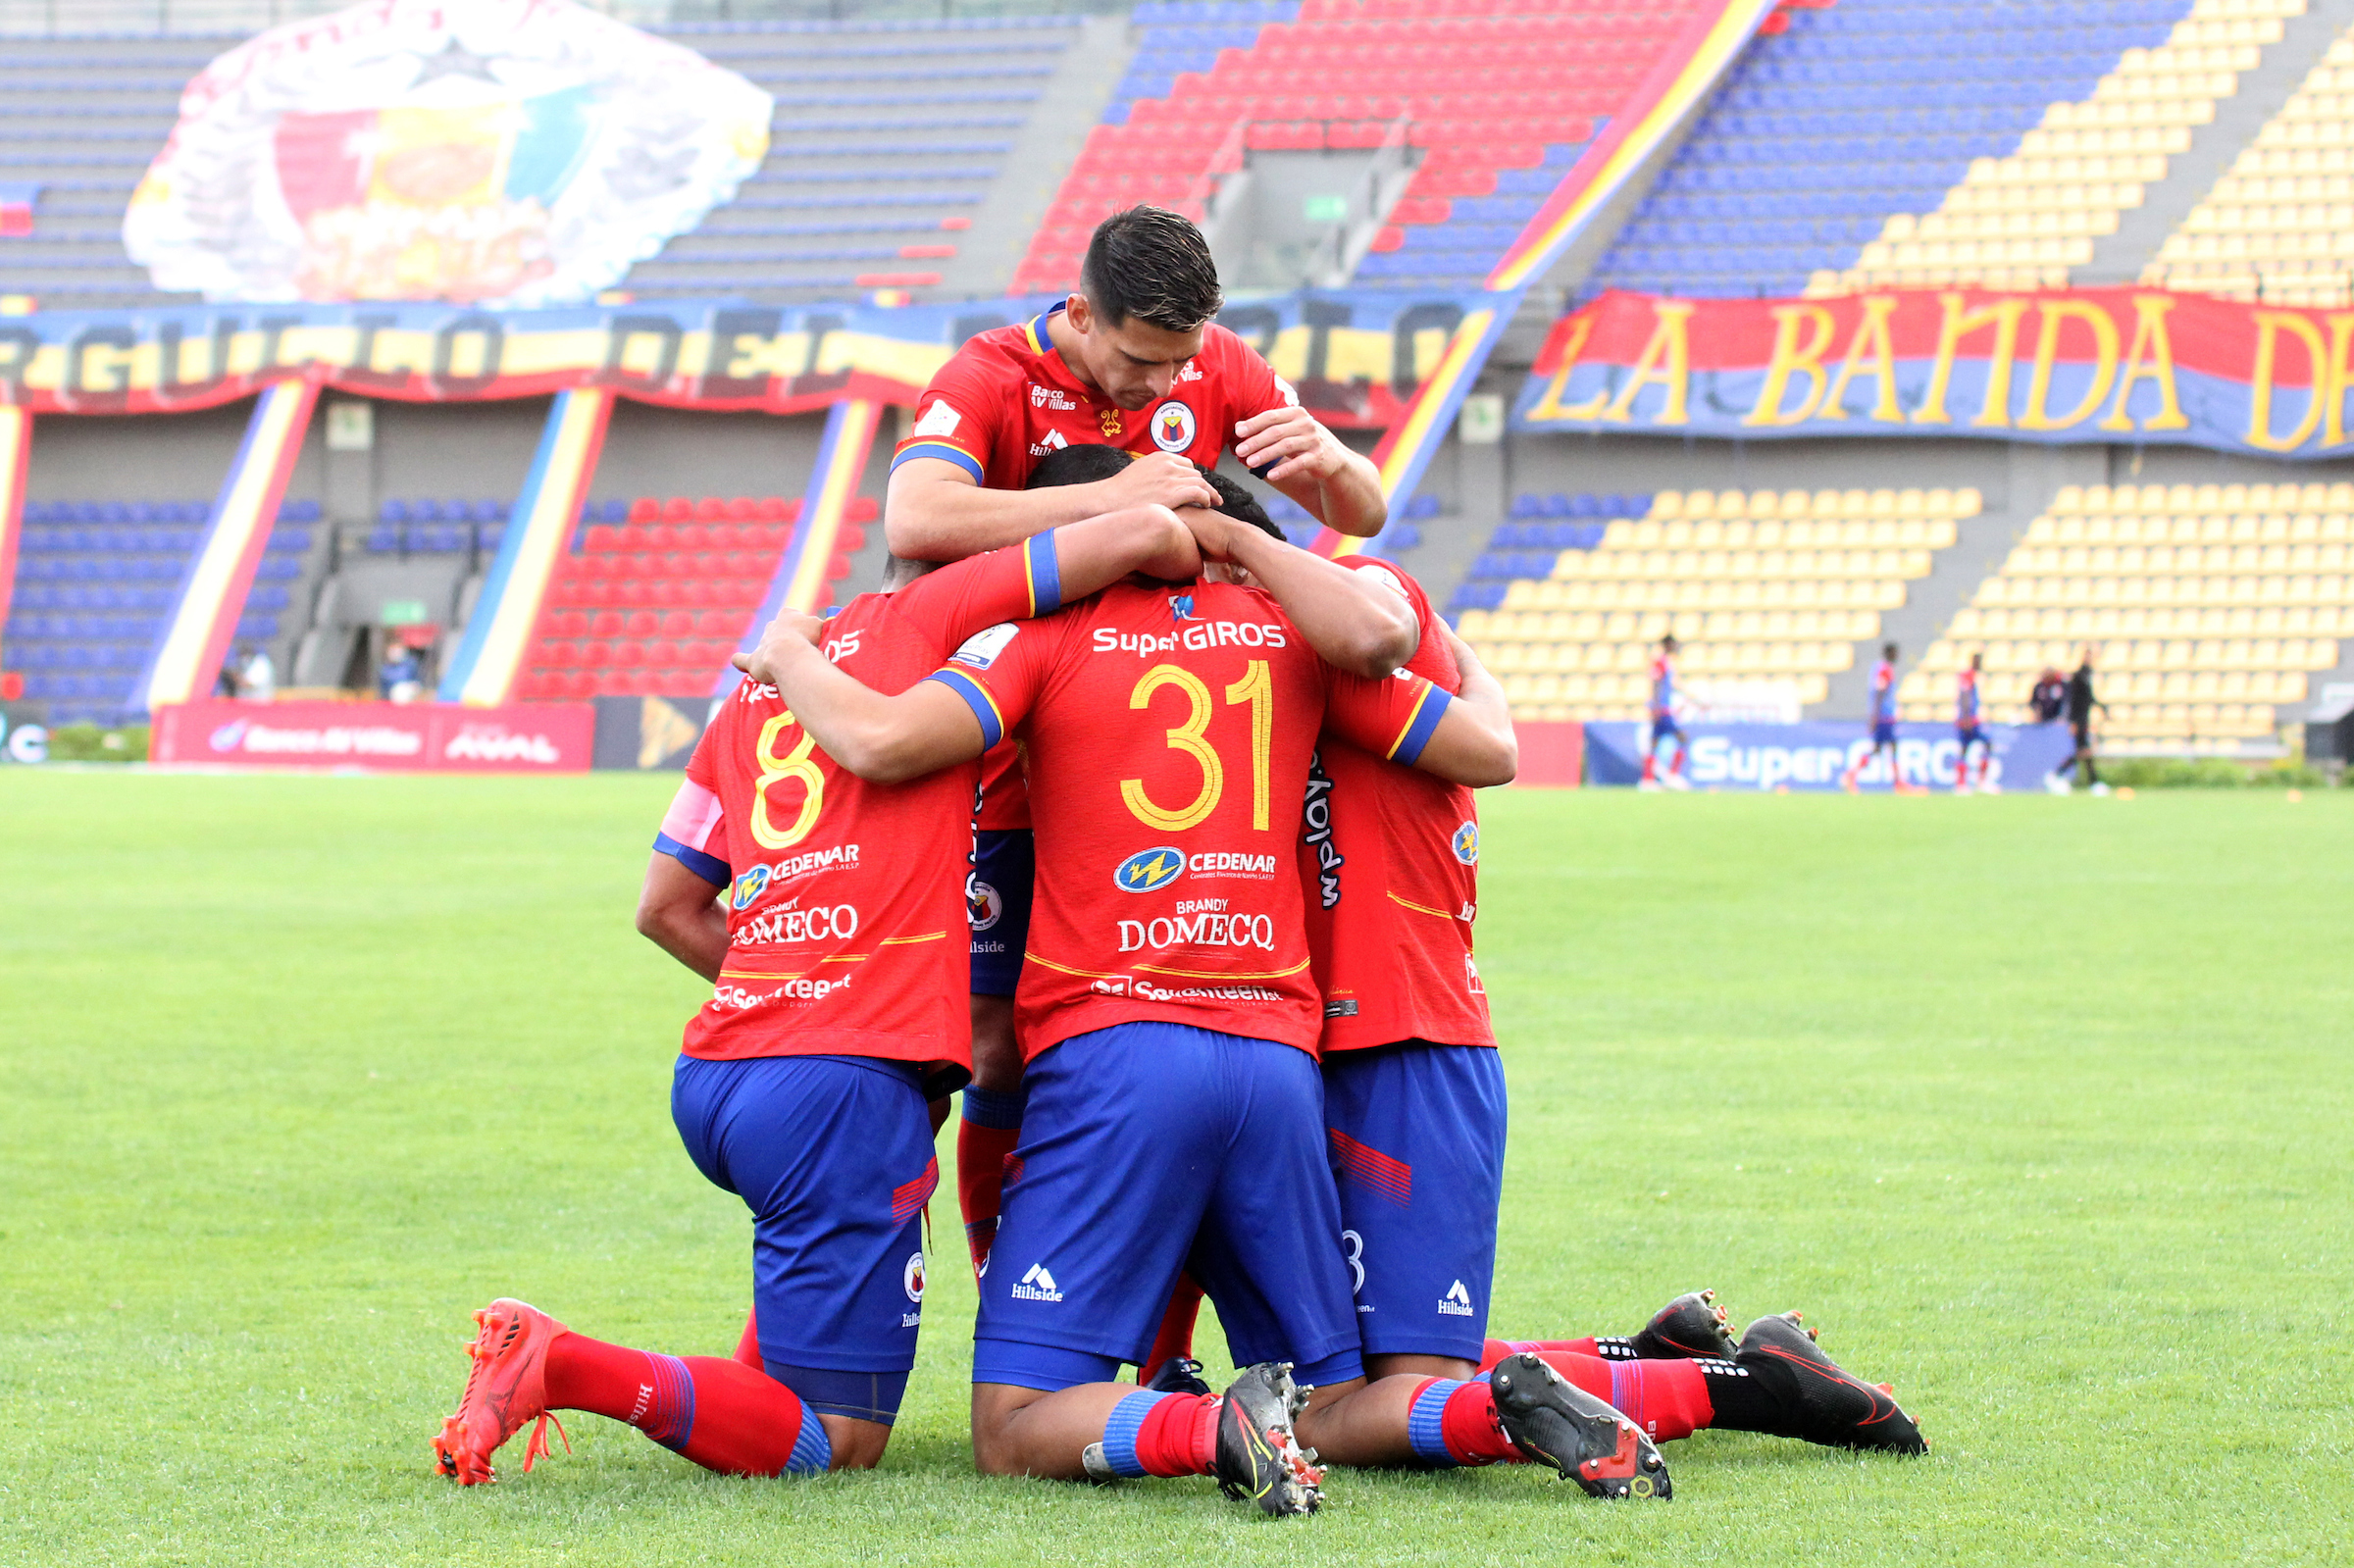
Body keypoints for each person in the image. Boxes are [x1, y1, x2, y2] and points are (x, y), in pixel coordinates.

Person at [743, 481, 1516, 1515]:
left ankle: (1210, 1424)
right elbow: (1478, 744)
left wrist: (789, 653)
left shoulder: (1042, 637)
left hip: (1117, 1049)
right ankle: (1503, 1405)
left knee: (1014, 1425)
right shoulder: (1290, 637)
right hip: (1277, 1059)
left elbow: (881, 741)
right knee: (1337, 1399)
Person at [429, 504, 1208, 1487]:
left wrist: (804, 995)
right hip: (830, 1091)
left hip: (722, 1070)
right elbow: (1140, 536)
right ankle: (559, 1360)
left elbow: (666, 906)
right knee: (834, 1440)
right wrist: (1198, 510)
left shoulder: (757, 689)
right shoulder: (934, 621)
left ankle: (727, 1387)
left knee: (783, 1371)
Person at [1144, 555, 1928, 1486]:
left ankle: (1755, 1385)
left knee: (1394, 1388)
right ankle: (1650, 1354)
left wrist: (1462, 663)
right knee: (1353, 1374)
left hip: (1408, 1038)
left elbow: (1482, 735)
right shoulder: (1232, 655)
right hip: (1309, 1042)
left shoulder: (1353, 605)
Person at [881, 205, 1388, 1278]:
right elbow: (915, 520)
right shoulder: (990, 376)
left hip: (1159, 771)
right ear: (1079, 313)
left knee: (1171, 1041)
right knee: (991, 1043)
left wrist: (1339, 464)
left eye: (1180, 363)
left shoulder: (1219, 365)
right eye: (1140, 360)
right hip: (1013, 759)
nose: (1162, 386)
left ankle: (1160, 1333)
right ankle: (1003, 1277)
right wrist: (1119, 502)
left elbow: (1363, 512)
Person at [1841, 642, 1915, 794]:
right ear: (1889, 654)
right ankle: (1897, 783)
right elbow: (1879, 694)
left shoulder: (1880, 668)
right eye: (1895, 653)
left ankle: (1852, 775)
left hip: (1883, 716)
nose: (1897, 656)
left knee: (1879, 749)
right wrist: (1874, 717)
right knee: (1889, 747)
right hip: (1884, 717)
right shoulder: (1884, 670)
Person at [1637, 632, 1689, 791]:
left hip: (1662, 708)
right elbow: (1656, 684)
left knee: (1655, 743)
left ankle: (1647, 780)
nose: (1677, 647)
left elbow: (1667, 686)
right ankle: (1671, 776)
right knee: (1682, 738)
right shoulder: (1660, 662)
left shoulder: (1666, 662)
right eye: (1674, 644)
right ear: (1668, 645)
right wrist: (1656, 707)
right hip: (1662, 709)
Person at [2060, 647, 2108, 794]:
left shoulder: (2088, 675)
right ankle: (2059, 775)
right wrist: (2072, 721)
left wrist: (2103, 709)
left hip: (2084, 719)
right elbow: (2073, 700)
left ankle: (2093, 782)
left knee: (2084, 751)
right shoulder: (2079, 676)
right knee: (2084, 751)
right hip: (2079, 719)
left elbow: (2090, 698)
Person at [1953, 650, 1995, 794]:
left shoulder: (1973, 676)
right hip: (1969, 720)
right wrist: (1966, 718)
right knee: (1983, 744)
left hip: (1968, 718)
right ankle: (1973, 783)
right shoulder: (1968, 675)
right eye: (1979, 661)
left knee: (1966, 748)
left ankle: (1964, 784)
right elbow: (1964, 696)